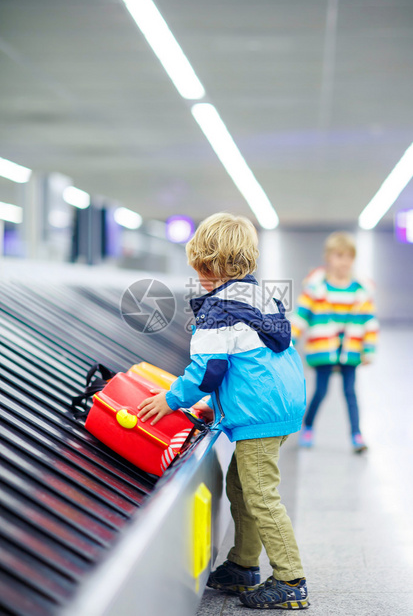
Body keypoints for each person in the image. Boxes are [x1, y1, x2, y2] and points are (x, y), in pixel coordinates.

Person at [138, 212, 309, 610]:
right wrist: (214, 402)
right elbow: (249, 360)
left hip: (259, 413)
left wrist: (171, 400)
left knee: (261, 496)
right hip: (278, 404)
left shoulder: (218, 311)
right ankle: (243, 566)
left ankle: (291, 578)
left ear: (208, 264)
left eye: (198, 264)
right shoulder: (261, 296)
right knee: (241, 488)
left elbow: (208, 370)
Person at [291, 232, 379, 453]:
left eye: (349, 257)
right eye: (340, 256)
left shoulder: (360, 291)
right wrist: (289, 340)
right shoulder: (316, 289)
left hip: (350, 351)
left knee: (350, 392)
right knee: (321, 391)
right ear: (328, 257)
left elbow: (369, 322)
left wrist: (369, 349)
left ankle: (356, 435)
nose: (344, 262)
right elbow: (301, 316)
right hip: (324, 349)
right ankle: (308, 426)